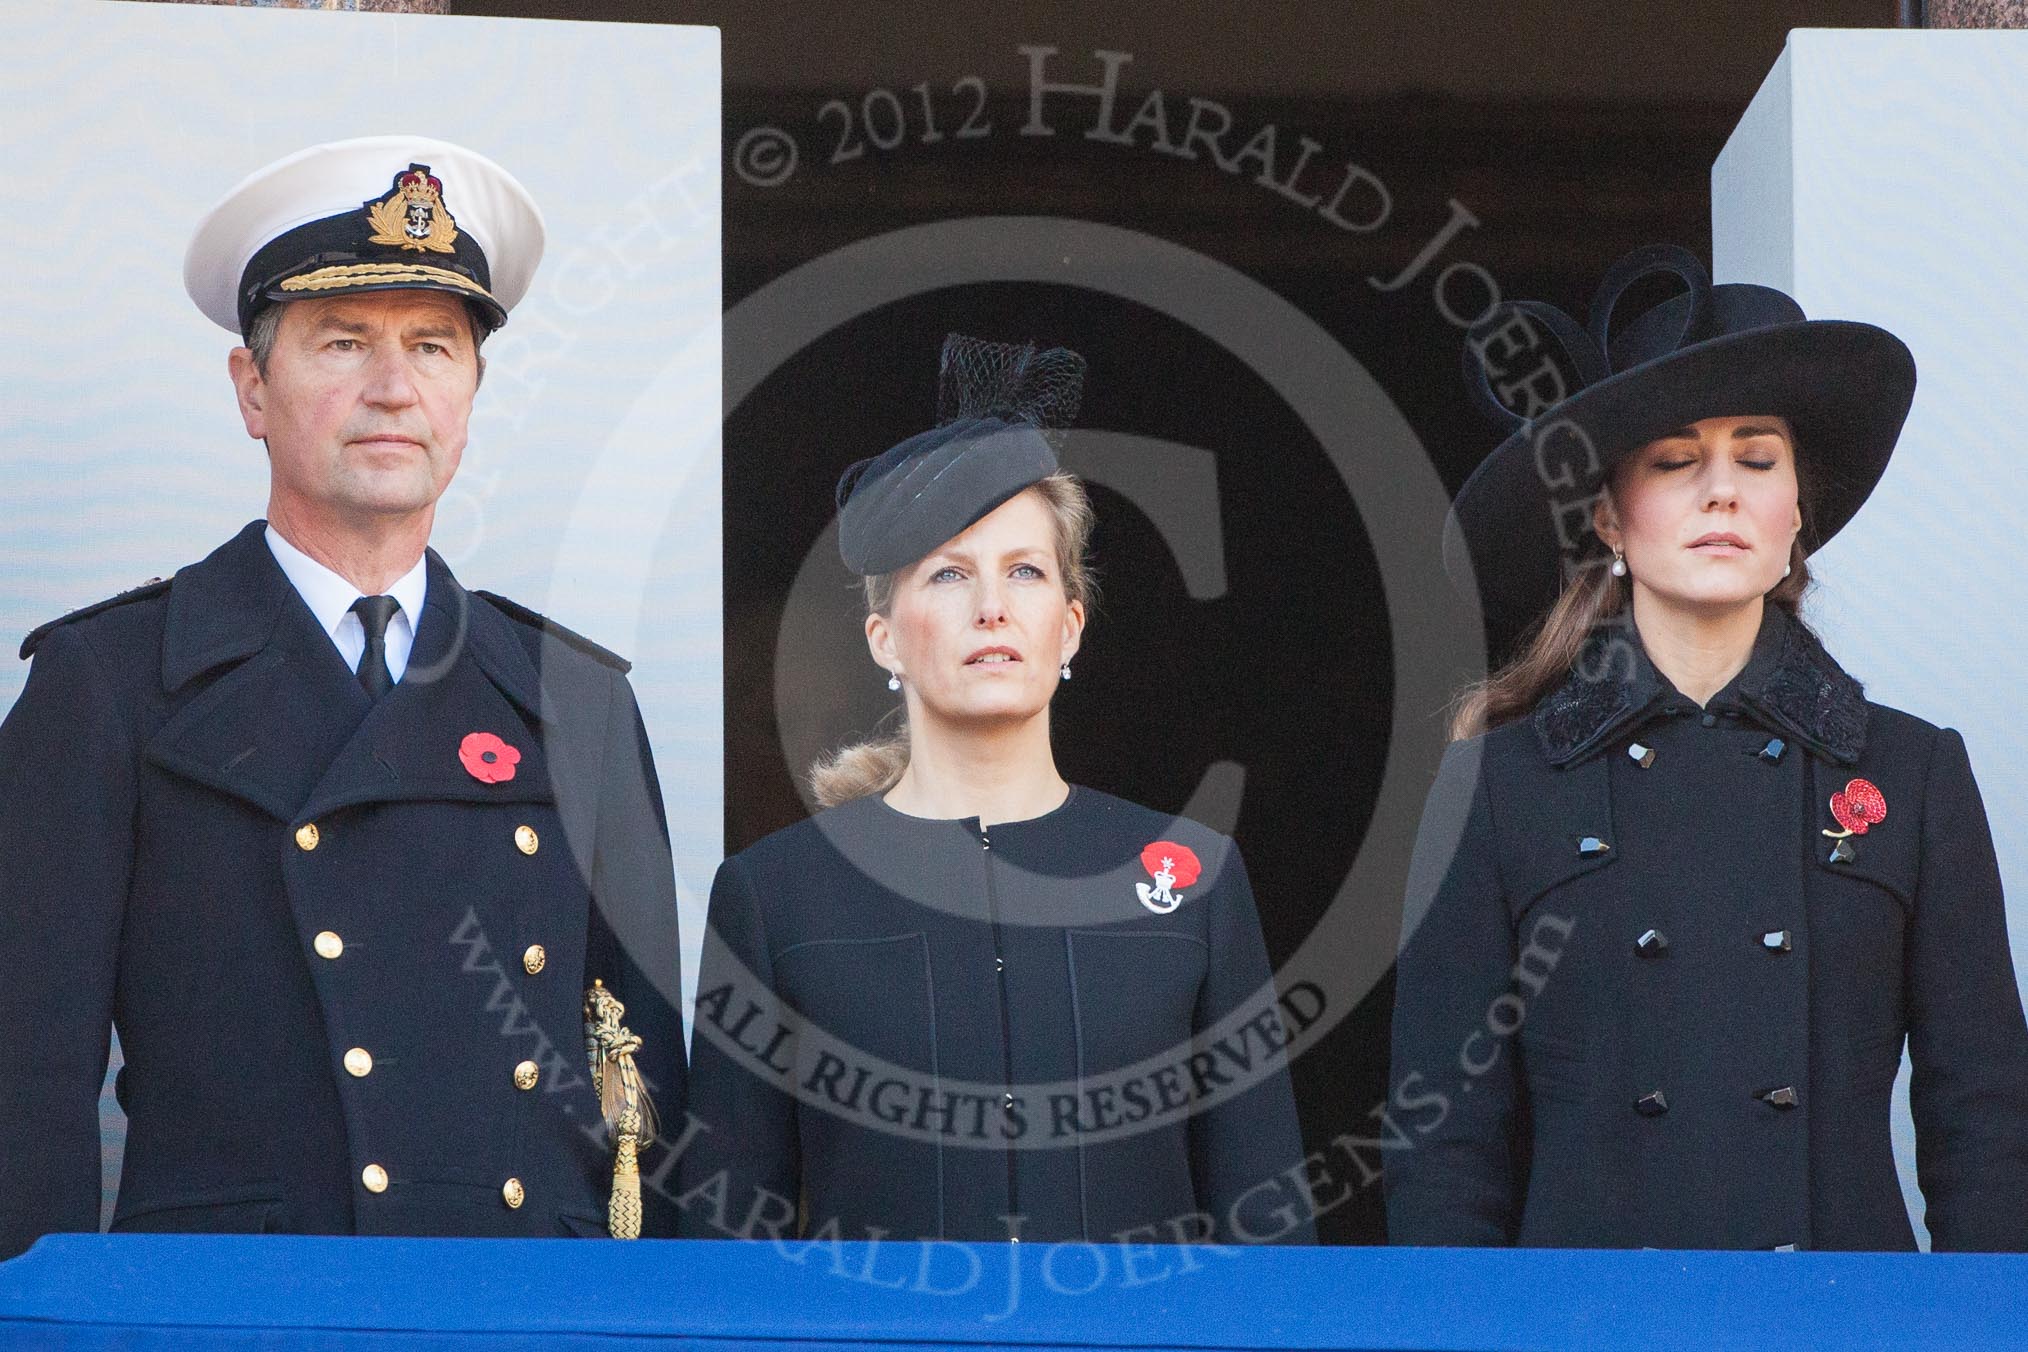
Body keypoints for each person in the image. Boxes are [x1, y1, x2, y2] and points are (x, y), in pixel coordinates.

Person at [0, 136, 685, 1257]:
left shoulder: (578, 700)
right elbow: (22, 1088)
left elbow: (648, 1101)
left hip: (525, 1315)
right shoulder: (109, 685)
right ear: (252, 389)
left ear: (471, 394)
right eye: (342, 342)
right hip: (242, 1313)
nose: (393, 386)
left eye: (433, 345)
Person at [1384, 244, 2028, 1251]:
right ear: (1608, 512)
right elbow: (1445, 1151)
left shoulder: (1913, 774)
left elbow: (1984, 1123)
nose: (1721, 491)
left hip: (1842, 1329)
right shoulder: (1496, 788)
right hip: (1585, 1330)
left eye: (1757, 458)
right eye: (1677, 459)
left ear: (1797, 513)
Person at [676, 335, 1312, 1245]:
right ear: (883, 637)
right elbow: (724, 1245)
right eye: (948, 574)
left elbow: (1270, 1231)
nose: (993, 608)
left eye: (1025, 570)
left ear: (1071, 625)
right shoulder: (776, 897)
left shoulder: (1192, 879)